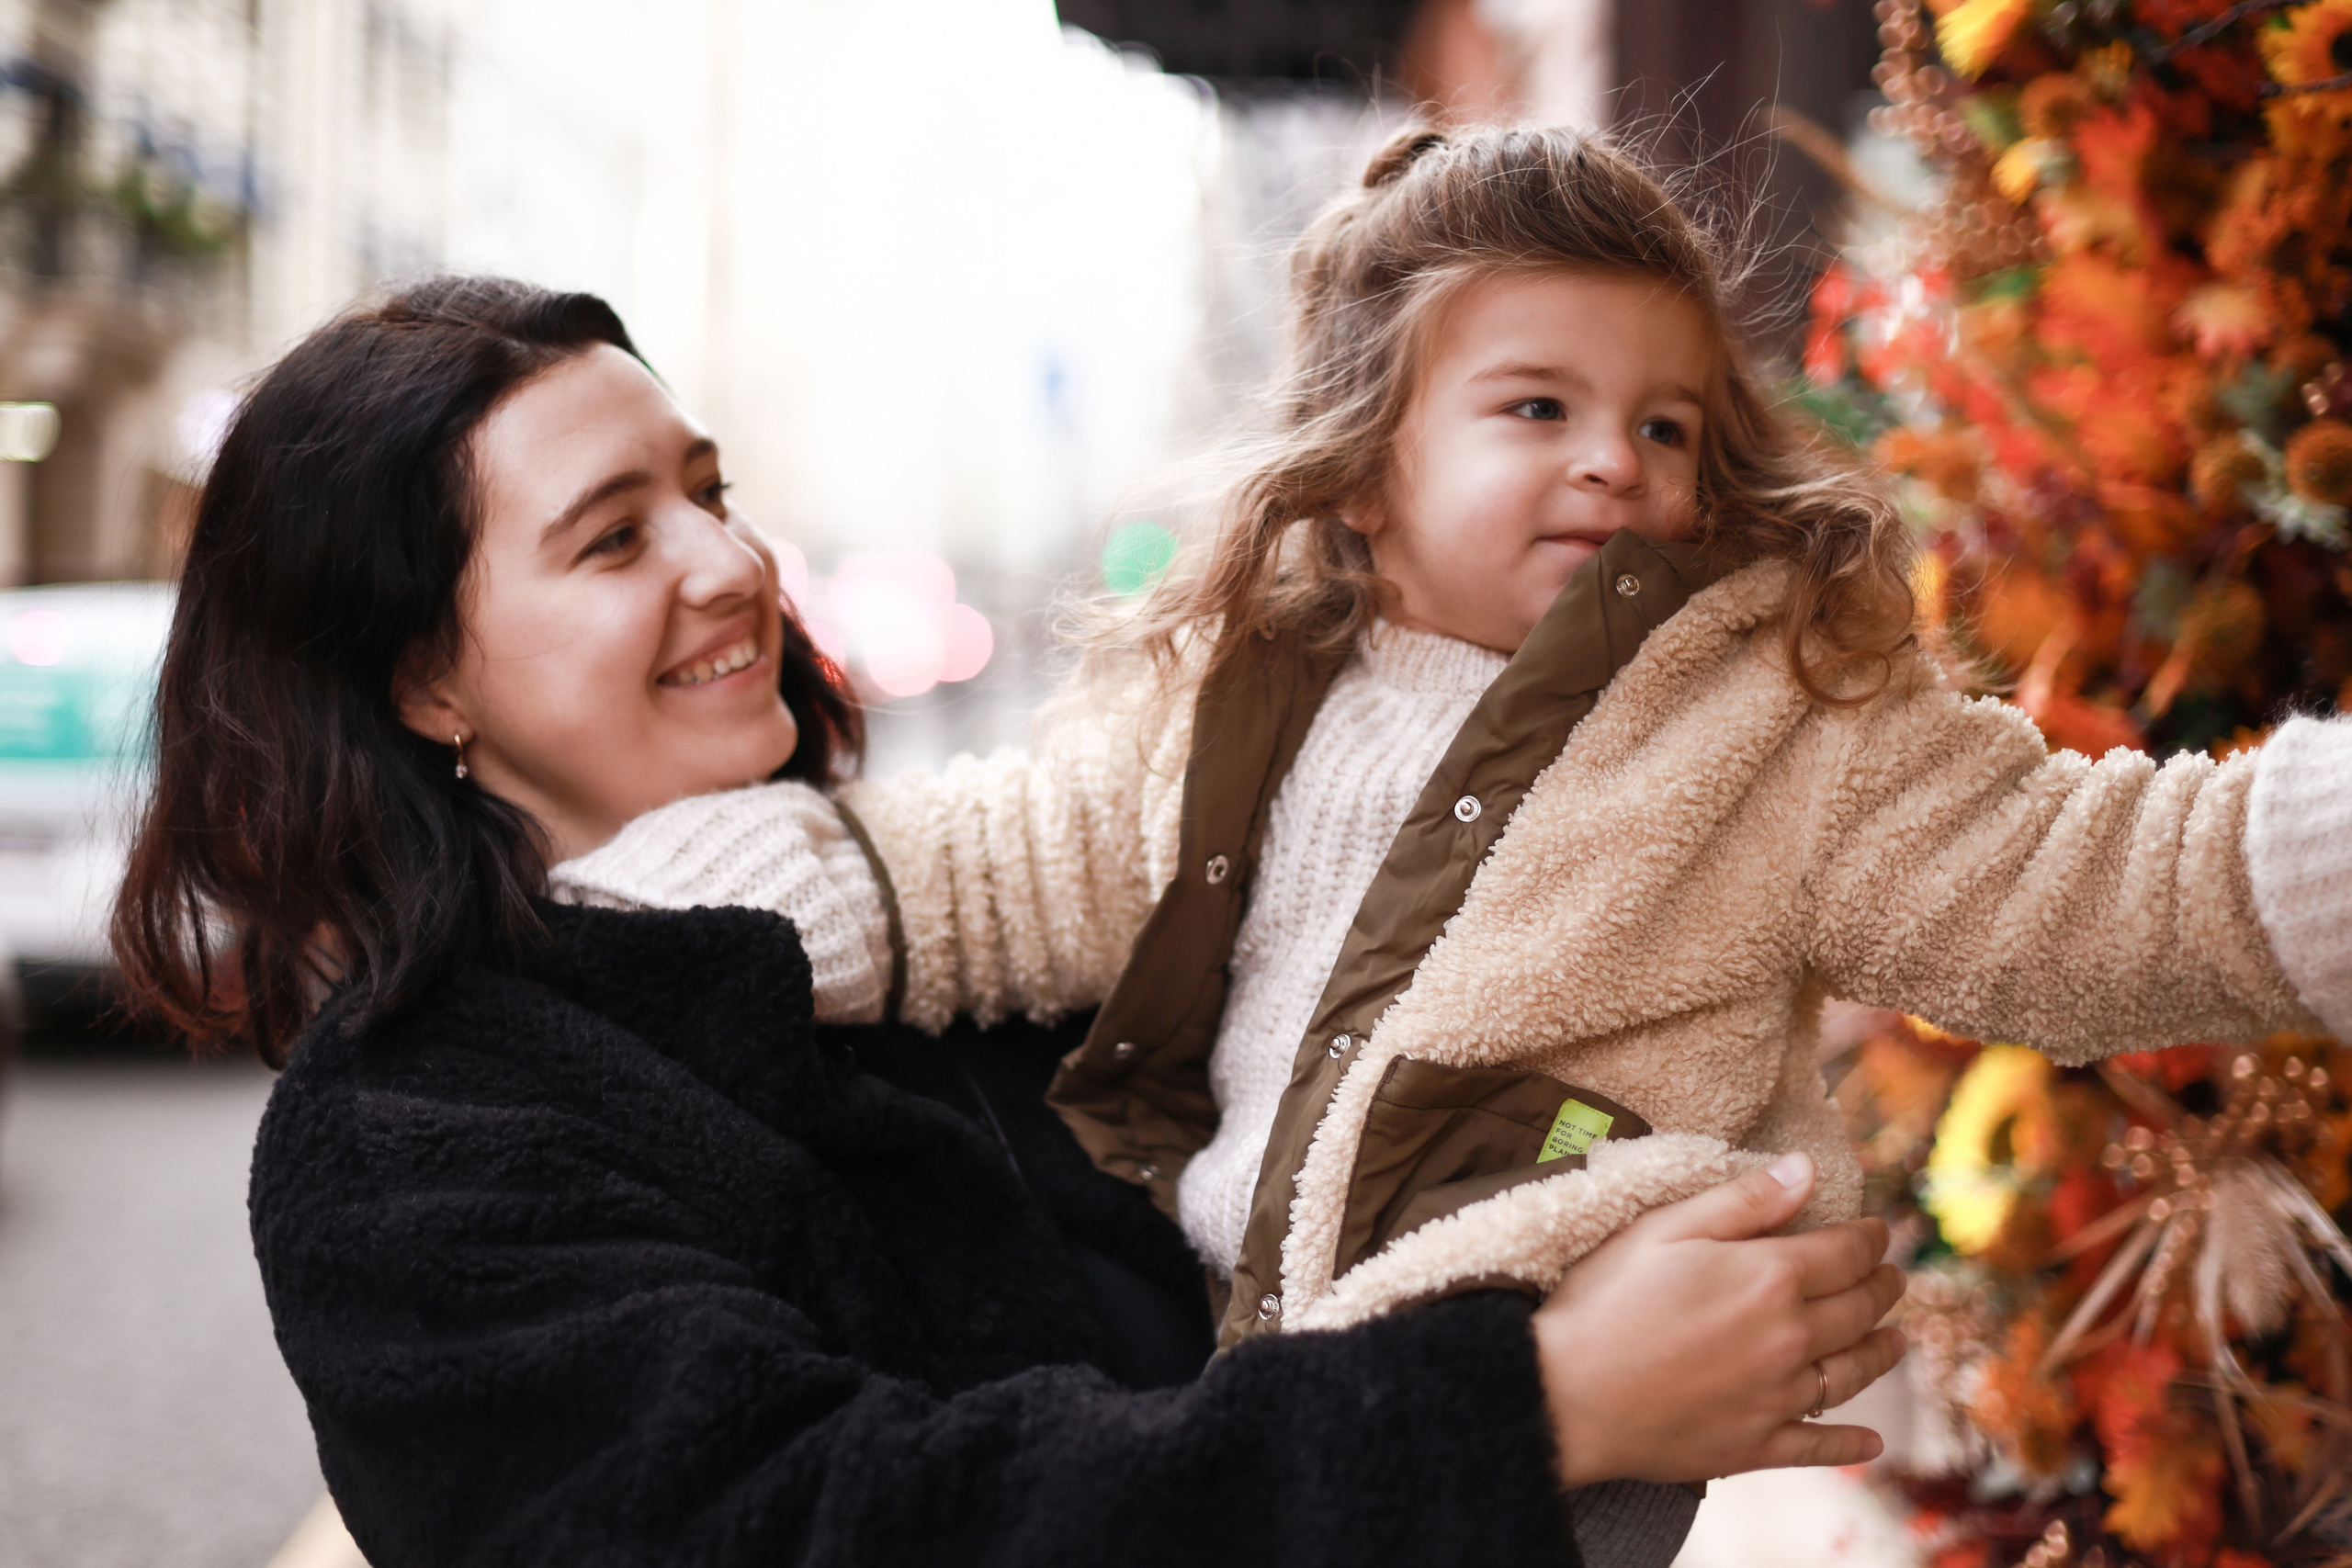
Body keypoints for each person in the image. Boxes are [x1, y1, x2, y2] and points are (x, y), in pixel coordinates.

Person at [550, 125, 2352, 1562]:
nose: (1613, 464)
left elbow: (2078, 872)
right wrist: (736, 890)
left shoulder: (1769, 718)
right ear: (1359, 467)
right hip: (1290, 1358)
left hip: (1576, 1297)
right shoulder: (1234, 698)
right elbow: (1006, 860)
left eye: (1662, 423)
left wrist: (2304, 841)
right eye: (1534, 409)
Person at [109, 276, 1910, 1568]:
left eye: (708, 491)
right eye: (611, 538)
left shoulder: (937, 927)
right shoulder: (415, 1140)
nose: (726, 564)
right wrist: (1529, 1403)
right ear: (424, 676)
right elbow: (821, 1514)